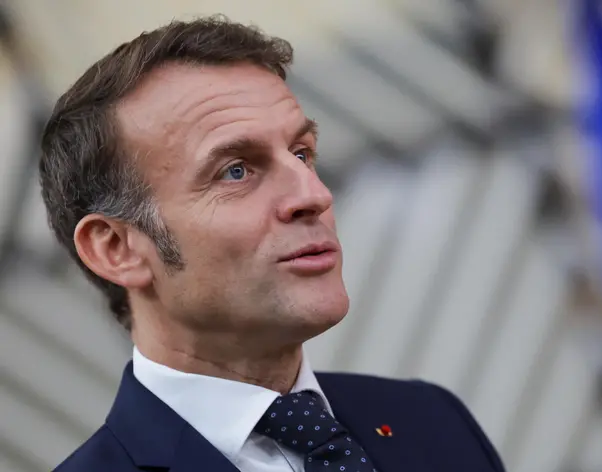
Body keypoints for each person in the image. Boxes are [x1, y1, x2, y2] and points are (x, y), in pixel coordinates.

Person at [41, 15, 505, 472]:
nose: (314, 195)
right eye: (236, 170)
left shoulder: (432, 421)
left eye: (302, 154)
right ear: (116, 249)